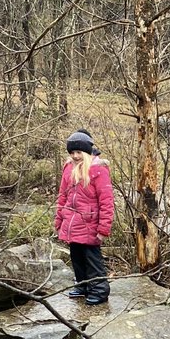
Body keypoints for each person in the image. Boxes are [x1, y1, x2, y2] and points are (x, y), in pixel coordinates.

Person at [55, 129, 115, 304]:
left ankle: (99, 290)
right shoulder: (68, 168)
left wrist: (104, 229)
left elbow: (107, 202)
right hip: (71, 222)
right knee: (76, 257)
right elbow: (62, 196)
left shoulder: (98, 171)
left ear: (87, 152)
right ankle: (82, 285)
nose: (75, 156)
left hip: (90, 224)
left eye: (78, 152)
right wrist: (59, 219)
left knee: (92, 259)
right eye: (72, 152)